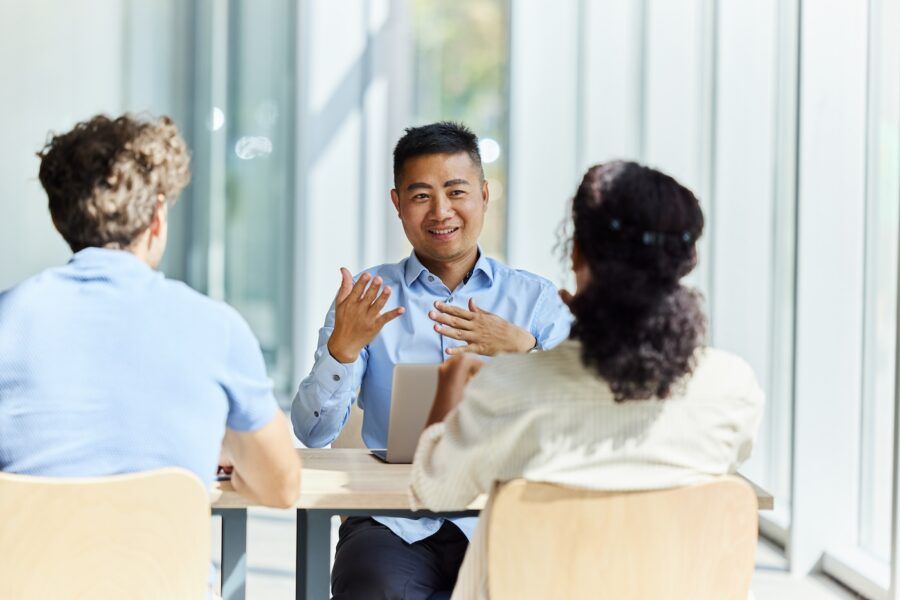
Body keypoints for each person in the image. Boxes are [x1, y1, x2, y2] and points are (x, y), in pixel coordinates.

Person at [408, 161, 765, 599]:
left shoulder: (510, 388)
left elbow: (433, 489)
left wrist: (451, 384)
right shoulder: (731, 387)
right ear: (685, 261)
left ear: (576, 254)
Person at [291, 122, 571, 599]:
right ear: (397, 203)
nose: (441, 212)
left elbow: (581, 425)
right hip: (392, 522)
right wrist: (343, 350)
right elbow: (312, 433)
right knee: (373, 588)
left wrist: (525, 353)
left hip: (503, 514)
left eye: (456, 191)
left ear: (483, 195)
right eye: (421, 196)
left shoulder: (536, 301)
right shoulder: (366, 298)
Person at [0, 114, 301, 510]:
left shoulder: (9, 320)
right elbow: (281, 488)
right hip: (167, 574)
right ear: (158, 218)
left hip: (25, 572)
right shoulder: (216, 327)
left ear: (59, 219)